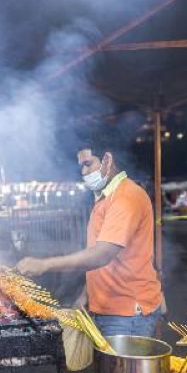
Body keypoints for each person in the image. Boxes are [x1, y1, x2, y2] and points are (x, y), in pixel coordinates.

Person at [15, 143, 164, 338]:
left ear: (107, 160)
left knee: (119, 369)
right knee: (106, 368)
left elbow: (102, 255)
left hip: (127, 314)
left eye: (88, 164)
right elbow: (105, 262)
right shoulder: (104, 199)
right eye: (81, 167)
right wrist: (85, 296)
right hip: (107, 309)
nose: (83, 172)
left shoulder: (126, 197)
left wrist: (44, 264)